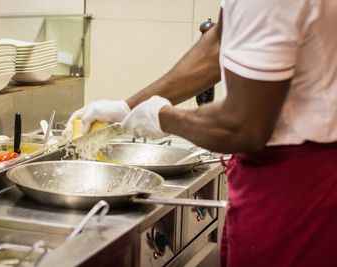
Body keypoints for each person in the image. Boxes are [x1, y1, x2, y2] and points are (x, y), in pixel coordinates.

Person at [63, 0, 337, 266]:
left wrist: (164, 118)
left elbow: (243, 125)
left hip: (297, 190)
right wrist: (128, 107)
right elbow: (219, 43)